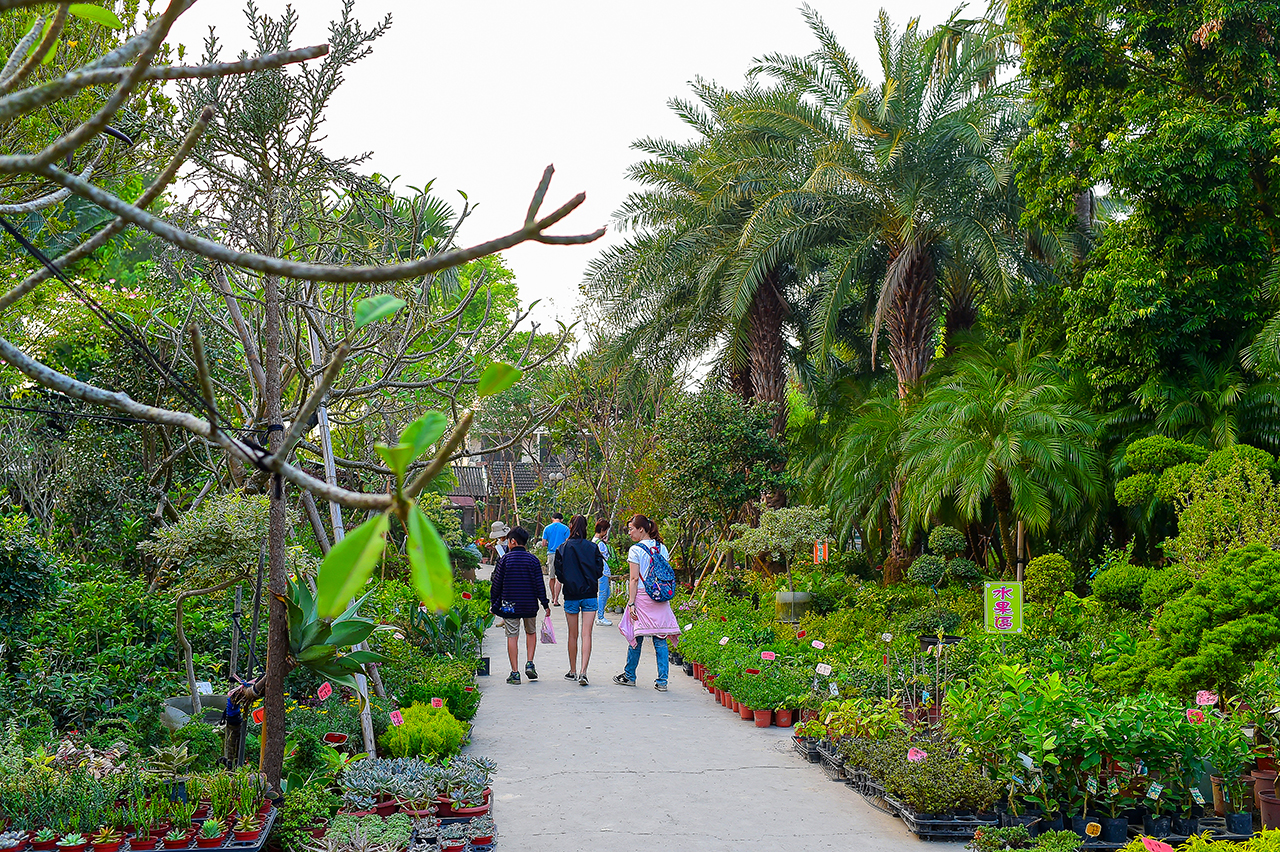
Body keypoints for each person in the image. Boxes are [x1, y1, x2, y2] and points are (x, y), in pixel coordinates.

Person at [613, 514, 680, 692]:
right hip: (660, 597)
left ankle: (629, 675)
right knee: (660, 639)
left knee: (637, 637)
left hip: (643, 596)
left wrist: (631, 602)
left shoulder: (635, 550)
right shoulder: (662, 548)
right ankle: (662, 681)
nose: (629, 532)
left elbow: (634, 579)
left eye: (631, 529)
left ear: (641, 529)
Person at [489, 526, 551, 684]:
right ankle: (530, 663)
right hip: (529, 603)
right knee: (531, 632)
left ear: (513, 541)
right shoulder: (533, 560)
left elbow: (497, 584)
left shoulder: (505, 560)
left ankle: (515, 673)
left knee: (512, 636)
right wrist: (545, 604)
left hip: (510, 604)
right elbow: (539, 584)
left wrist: (493, 602)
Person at [554, 514, 605, 685]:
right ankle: (584, 671)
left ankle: (572, 670)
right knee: (587, 634)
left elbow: (559, 573)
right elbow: (599, 570)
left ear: (570, 526)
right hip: (590, 594)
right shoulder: (593, 547)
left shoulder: (563, 548)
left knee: (572, 635)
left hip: (571, 595)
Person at [540, 512, 570, 606]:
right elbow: (567, 542)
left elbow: (543, 543)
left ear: (553, 519)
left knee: (552, 577)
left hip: (551, 553)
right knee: (559, 577)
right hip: (562, 554)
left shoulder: (547, 528)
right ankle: (557, 599)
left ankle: (553, 597)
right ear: (561, 519)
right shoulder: (565, 528)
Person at [592, 518, 613, 627]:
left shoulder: (594, 541)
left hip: (600, 571)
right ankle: (600, 617)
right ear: (603, 530)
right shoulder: (599, 543)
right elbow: (606, 556)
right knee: (603, 593)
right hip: (602, 571)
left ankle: (600, 615)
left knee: (606, 593)